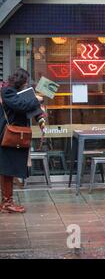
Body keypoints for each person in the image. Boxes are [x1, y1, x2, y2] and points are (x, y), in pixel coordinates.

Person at [0, 69, 46, 213]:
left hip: (16, 136)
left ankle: (6, 201)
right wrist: (36, 99)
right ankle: (7, 203)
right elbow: (21, 105)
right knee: (7, 169)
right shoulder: (7, 92)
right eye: (26, 81)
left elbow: (26, 106)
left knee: (8, 169)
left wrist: (40, 117)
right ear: (21, 81)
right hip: (8, 137)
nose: (26, 84)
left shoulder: (15, 93)